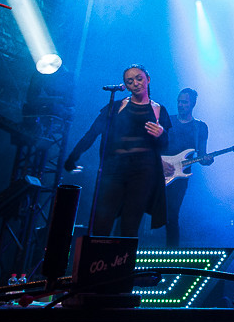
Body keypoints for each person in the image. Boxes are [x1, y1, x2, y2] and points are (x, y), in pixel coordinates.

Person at [63, 64, 171, 238]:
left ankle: (122, 263)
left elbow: (165, 145)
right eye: (130, 81)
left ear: (148, 79)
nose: (135, 83)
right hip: (114, 169)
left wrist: (161, 134)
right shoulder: (116, 106)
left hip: (143, 171)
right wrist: (73, 157)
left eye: (139, 78)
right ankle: (97, 262)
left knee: (130, 223)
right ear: (125, 86)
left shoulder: (159, 110)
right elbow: (93, 133)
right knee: (102, 221)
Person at [163, 88, 210, 247]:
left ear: (193, 104)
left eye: (184, 102)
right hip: (158, 171)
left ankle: (171, 254)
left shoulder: (200, 127)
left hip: (180, 177)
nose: (180, 105)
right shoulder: (167, 121)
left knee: (172, 215)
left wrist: (208, 160)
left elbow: (202, 155)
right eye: (179, 101)